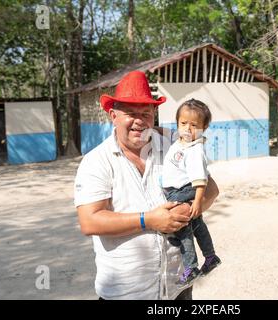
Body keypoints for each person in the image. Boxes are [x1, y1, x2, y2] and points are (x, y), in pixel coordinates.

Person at [74, 70, 219, 300]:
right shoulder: (97, 160)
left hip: (178, 289)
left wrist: (190, 208)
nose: (140, 120)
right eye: (130, 113)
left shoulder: (173, 146)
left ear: (154, 114)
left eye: (146, 113)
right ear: (113, 115)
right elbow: (89, 221)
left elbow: (211, 190)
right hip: (126, 293)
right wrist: (147, 220)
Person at [162, 99, 221, 286]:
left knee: (182, 226)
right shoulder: (181, 143)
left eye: (194, 125)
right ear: (177, 122)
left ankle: (191, 267)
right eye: (183, 123)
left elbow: (200, 180)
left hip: (182, 191)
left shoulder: (195, 150)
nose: (188, 129)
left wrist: (197, 201)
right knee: (196, 223)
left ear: (204, 127)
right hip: (180, 188)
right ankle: (210, 257)